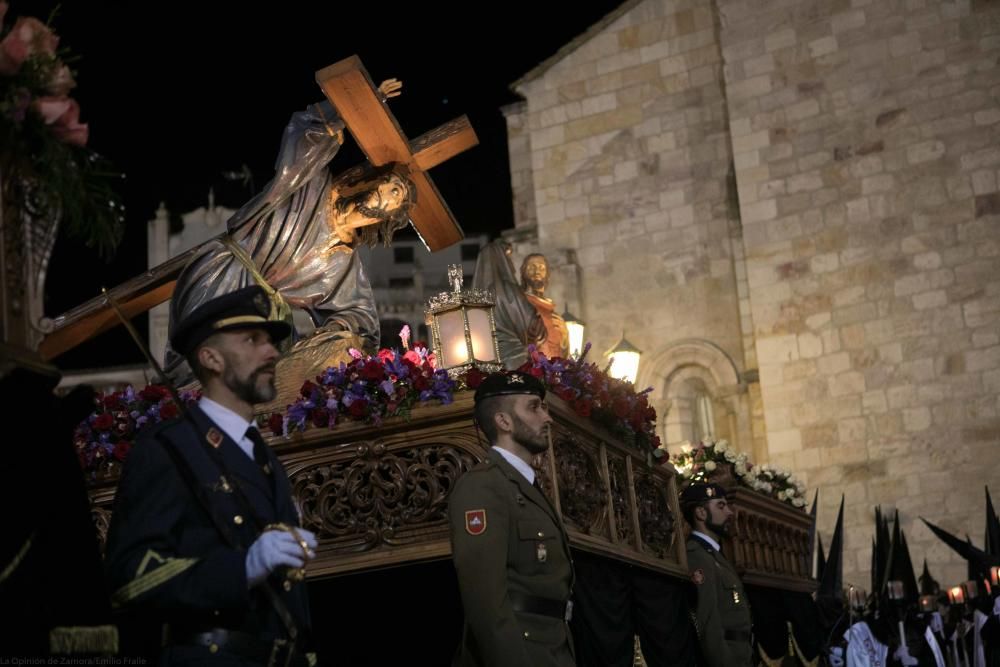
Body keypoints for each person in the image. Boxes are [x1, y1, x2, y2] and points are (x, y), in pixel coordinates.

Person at [105, 285, 318, 666]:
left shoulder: (263, 455)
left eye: (270, 340)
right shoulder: (167, 450)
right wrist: (241, 569)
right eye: (252, 339)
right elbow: (130, 579)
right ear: (210, 358)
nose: (272, 352)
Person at [165, 79, 414, 386]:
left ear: (392, 216)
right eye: (390, 185)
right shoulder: (312, 184)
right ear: (375, 181)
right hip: (224, 277)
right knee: (199, 375)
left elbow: (359, 316)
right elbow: (302, 130)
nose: (387, 195)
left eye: (396, 197)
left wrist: (337, 331)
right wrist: (356, 109)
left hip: (267, 318)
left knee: (256, 390)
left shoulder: (344, 261)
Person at [448, 371, 576, 667]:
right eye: (534, 407)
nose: (548, 418)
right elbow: (486, 603)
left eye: (543, 407)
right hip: (520, 651)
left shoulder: (523, 484)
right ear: (503, 421)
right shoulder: (483, 487)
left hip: (552, 647)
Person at [680, 482, 752, 667]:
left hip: (741, 655)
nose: (729, 512)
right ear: (701, 513)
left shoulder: (715, 555)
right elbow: (708, 622)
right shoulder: (697, 556)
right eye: (721, 505)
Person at [519, 253, 568, 360]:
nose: (537, 272)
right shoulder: (520, 303)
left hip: (554, 370)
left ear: (547, 274)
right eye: (532, 267)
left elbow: (562, 352)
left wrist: (564, 337)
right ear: (523, 272)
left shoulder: (551, 310)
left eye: (542, 268)